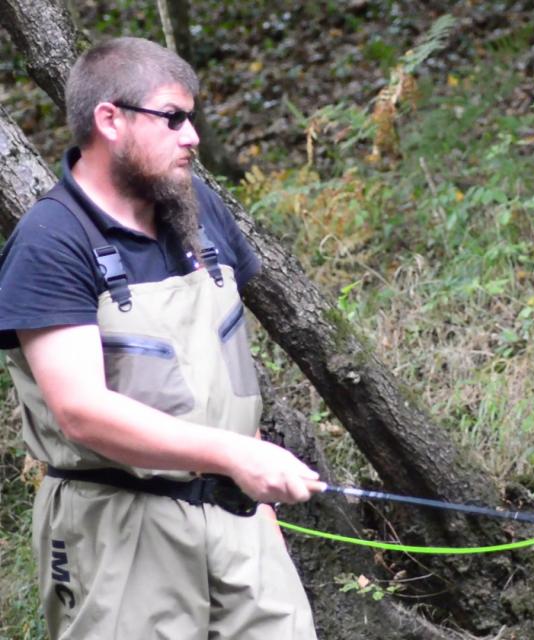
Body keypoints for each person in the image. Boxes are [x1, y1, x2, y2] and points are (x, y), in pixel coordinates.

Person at [0, 37, 322, 640]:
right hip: (117, 529)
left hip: (238, 519)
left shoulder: (198, 207)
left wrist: (261, 502)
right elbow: (81, 412)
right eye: (173, 118)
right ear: (109, 120)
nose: (192, 135)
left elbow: (225, 366)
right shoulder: (50, 241)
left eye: (191, 118)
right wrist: (236, 456)